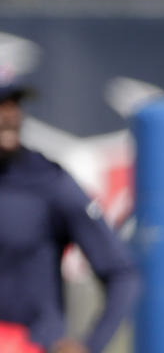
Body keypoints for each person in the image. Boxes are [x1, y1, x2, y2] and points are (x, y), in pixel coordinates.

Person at [0, 73, 139, 353]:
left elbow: (122, 275)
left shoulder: (49, 183)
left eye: (14, 104)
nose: (10, 116)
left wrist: (89, 345)